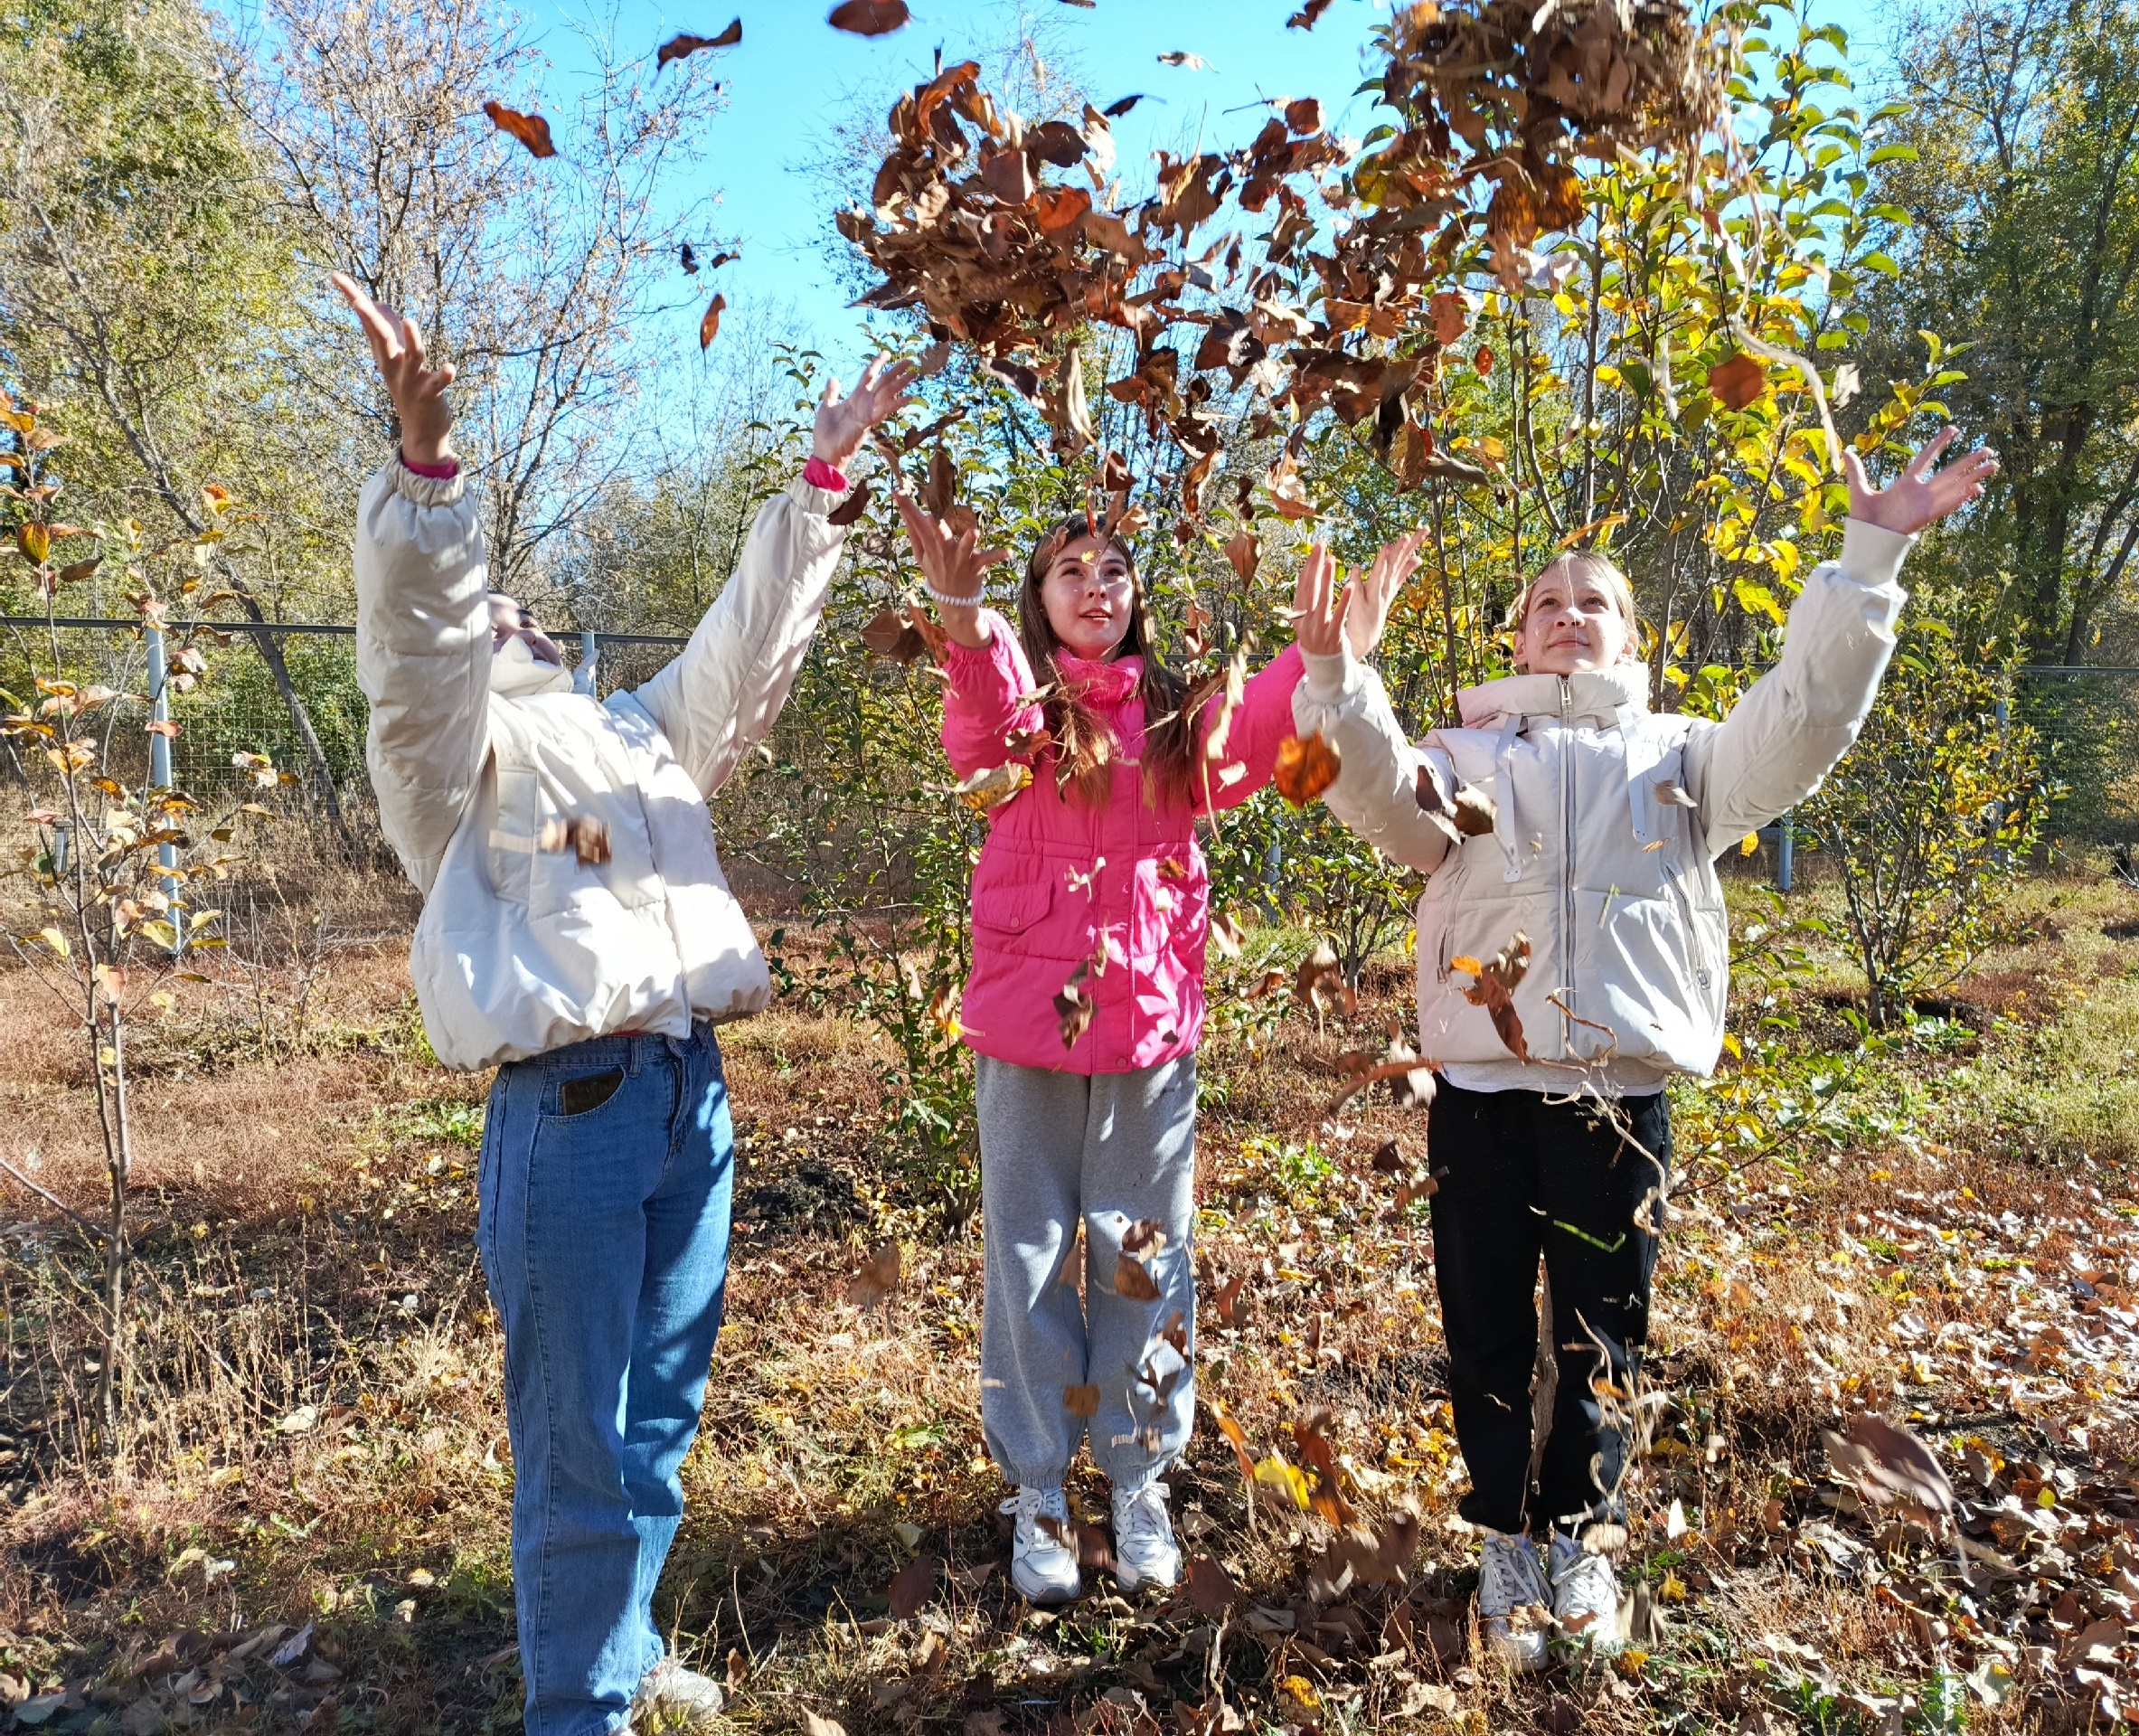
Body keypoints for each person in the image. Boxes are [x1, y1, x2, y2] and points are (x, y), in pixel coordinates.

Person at [1287, 430, 1999, 1665]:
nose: (1570, 618)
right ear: (1515, 641)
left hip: (1617, 1105)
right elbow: (1382, 807)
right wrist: (1338, 679)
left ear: (1635, 640)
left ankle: (1583, 1539)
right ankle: (1507, 1537)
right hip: (1481, 1095)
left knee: (1603, 1334)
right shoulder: (1464, 762)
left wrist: (1870, 557)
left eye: (1597, 604)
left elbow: (1808, 714)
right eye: (1547, 604)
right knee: (1489, 1328)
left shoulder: (1685, 764)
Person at [332, 271, 912, 1735]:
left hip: (685, 1104)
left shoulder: (648, 740)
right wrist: (426, 479)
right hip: (571, 1113)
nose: (512, 621)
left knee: (657, 1422)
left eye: (523, 610)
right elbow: (413, 657)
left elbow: (745, 638)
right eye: (492, 613)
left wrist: (821, 486)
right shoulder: (455, 769)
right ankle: (578, 1707)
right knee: (577, 1445)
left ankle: (624, 1644)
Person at [897, 493, 1425, 1602]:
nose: (1098, 585)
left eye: (1115, 570)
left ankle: (1138, 1476)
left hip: (1148, 1034)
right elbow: (978, 719)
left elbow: (1281, 747)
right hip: (1026, 1032)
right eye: (1069, 571)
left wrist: (1327, 660)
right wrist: (961, 616)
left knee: (1147, 1258)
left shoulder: (1182, 720)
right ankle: (1038, 1485)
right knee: (1025, 1260)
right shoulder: (1023, 712)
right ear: (1039, 607)